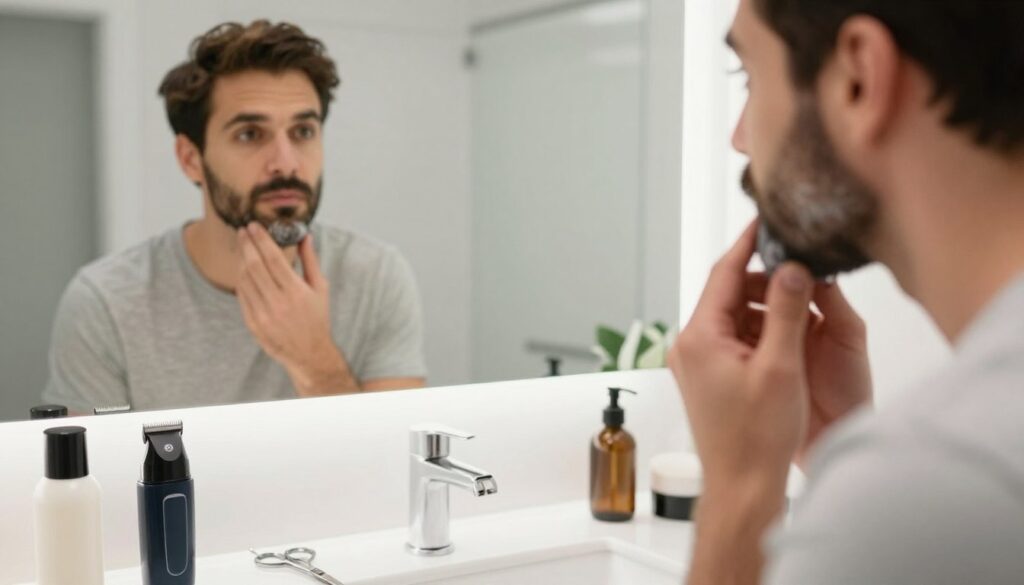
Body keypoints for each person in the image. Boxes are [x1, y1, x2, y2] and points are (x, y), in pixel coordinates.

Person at [668, 1, 1024, 583]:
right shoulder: (956, 473)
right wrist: (844, 449)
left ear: (858, 78)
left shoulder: (951, 473)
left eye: (750, 76)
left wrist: (739, 493)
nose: (739, 140)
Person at [43, 21, 427, 413]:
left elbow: (397, 462)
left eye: (303, 131)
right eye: (250, 134)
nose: (286, 163)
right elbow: (91, 473)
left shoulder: (375, 277)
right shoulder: (106, 304)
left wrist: (314, 359)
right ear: (191, 159)